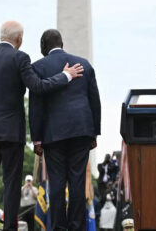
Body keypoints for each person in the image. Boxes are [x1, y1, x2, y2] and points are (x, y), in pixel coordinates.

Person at [0, 21, 83, 231]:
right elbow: (38, 87)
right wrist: (66, 76)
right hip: (11, 133)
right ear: (19, 39)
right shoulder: (20, 58)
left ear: (1, 35)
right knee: (12, 186)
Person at [29, 29, 101, 231]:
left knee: (57, 183)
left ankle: (59, 227)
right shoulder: (84, 64)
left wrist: (37, 139)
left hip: (53, 135)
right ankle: (77, 227)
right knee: (78, 182)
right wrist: (94, 132)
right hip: (81, 131)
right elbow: (94, 100)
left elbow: (36, 107)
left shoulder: (37, 67)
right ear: (62, 43)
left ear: (43, 45)